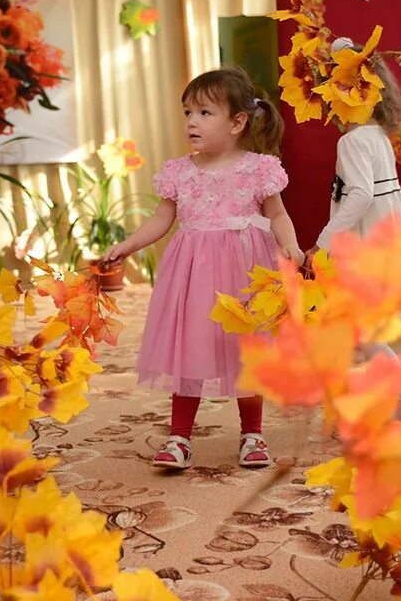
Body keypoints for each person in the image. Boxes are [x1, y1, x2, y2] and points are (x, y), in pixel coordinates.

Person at [102, 67, 303, 471]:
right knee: (189, 346)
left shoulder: (259, 168)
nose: (192, 121)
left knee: (248, 349)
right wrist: (127, 245)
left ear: (237, 122)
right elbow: (161, 221)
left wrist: (292, 246)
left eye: (205, 113)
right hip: (192, 272)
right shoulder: (179, 171)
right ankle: (179, 437)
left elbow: (278, 215)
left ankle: (252, 434)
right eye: (188, 112)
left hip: (246, 268)